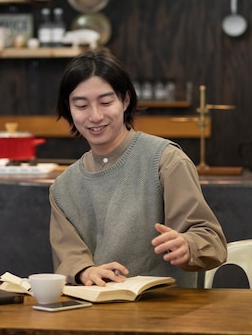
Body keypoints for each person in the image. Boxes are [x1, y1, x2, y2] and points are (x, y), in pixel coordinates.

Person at [50, 49, 227, 287]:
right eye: (81, 106)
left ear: (125, 100)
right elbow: (69, 257)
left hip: (165, 313)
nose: (95, 115)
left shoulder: (166, 161)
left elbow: (210, 238)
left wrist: (188, 246)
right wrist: (85, 271)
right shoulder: (63, 187)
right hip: (94, 313)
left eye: (105, 102)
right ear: (68, 109)